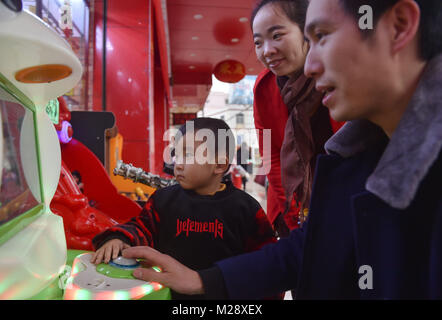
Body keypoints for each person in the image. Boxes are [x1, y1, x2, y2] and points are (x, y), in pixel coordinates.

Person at [121, 0, 442, 299]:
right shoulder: (358, 155)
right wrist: (205, 280)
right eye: (258, 41)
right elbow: (308, 246)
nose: (312, 63)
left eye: (322, 36)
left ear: (398, 26)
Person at [90, 117, 276, 299]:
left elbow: (265, 263)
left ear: (219, 164)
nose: (177, 164)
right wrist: (119, 238)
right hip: (165, 294)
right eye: (176, 155)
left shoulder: (245, 209)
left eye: (187, 155)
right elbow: (142, 227)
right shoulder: (164, 200)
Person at [251, 0, 342, 236]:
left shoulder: (339, 74)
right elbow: (272, 158)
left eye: (277, 35)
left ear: (307, 31)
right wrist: (296, 220)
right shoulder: (265, 87)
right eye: (258, 42)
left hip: (346, 199)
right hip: (291, 207)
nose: (267, 50)